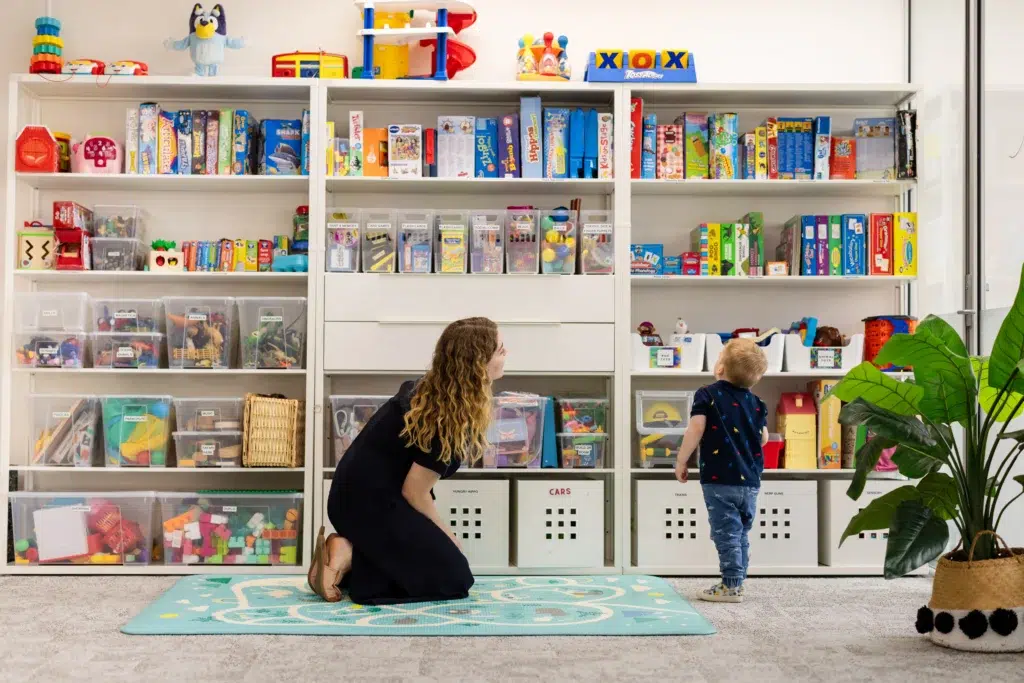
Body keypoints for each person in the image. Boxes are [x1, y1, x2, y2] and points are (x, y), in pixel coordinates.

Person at [308, 317, 507, 604]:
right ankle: (349, 557)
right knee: (455, 578)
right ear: (478, 361)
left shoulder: (433, 393)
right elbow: (415, 492)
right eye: (500, 349)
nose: (505, 354)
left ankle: (346, 550)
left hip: (354, 497)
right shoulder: (444, 416)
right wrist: (446, 535)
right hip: (368, 505)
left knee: (431, 563)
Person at [674, 338, 769, 603]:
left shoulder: (707, 394)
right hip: (750, 480)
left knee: (725, 533)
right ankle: (738, 581)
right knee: (740, 533)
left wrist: (682, 461)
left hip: (719, 479)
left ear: (720, 369)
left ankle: (729, 585)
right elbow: (763, 439)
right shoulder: (759, 403)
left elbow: (695, 429)